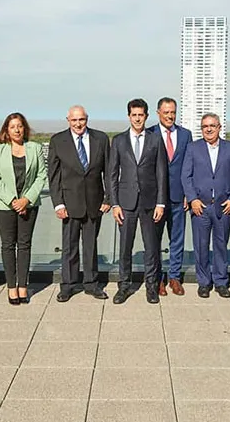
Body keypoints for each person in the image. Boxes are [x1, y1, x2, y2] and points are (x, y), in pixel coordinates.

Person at [48, 105, 111, 302]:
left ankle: (92, 284)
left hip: (95, 203)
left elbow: (108, 172)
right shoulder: (58, 141)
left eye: (81, 119)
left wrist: (108, 198)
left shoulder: (100, 139)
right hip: (69, 203)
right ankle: (68, 285)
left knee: (91, 246)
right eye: (74, 120)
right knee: (70, 247)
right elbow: (54, 175)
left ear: (87, 119)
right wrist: (58, 204)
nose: (78, 124)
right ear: (68, 120)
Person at [108, 98, 168, 304]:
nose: (137, 119)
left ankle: (151, 287)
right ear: (128, 116)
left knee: (151, 248)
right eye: (134, 115)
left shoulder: (155, 139)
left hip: (150, 204)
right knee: (125, 248)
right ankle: (124, 286)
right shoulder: (118, 141)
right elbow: (112, 175)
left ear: (146, 116)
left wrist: (161, 203)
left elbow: (162, 173)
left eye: (141, 115)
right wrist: (114, 204)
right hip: (126, 204)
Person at [0, 112, 47, 305]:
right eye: (13, 126)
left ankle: (23, 285)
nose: (17, 129)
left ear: (25, 128)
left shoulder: (35, 148)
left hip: (29, 205)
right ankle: (11, 287)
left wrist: (26, 200)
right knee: (8, 245)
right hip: (5, 206)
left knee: (24, 245)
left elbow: (41, 176)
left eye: (20, 126)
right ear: (6, 129)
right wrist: (14, 201)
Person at [181, 113, 230, 298]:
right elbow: (186, 176)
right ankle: (204, 282)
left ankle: (221, 282)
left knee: (221, 245)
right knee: (201, 245)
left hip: (223, 206)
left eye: (212, 125)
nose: (208, 129)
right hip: (200, 206)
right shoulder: (192, 148)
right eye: (205, 126)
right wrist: (192, 199)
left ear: (219, 127)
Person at [147, 97, 192, 296]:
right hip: (155, 199)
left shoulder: (185, 135)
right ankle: (157, 279)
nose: (170, 116)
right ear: (158, 113)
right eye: (166, 112)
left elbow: (188, 167)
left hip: (178, 197)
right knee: (154, 241)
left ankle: (174, 277)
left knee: (177, 239)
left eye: (173, 112)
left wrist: (188, 194)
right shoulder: (149, 134)